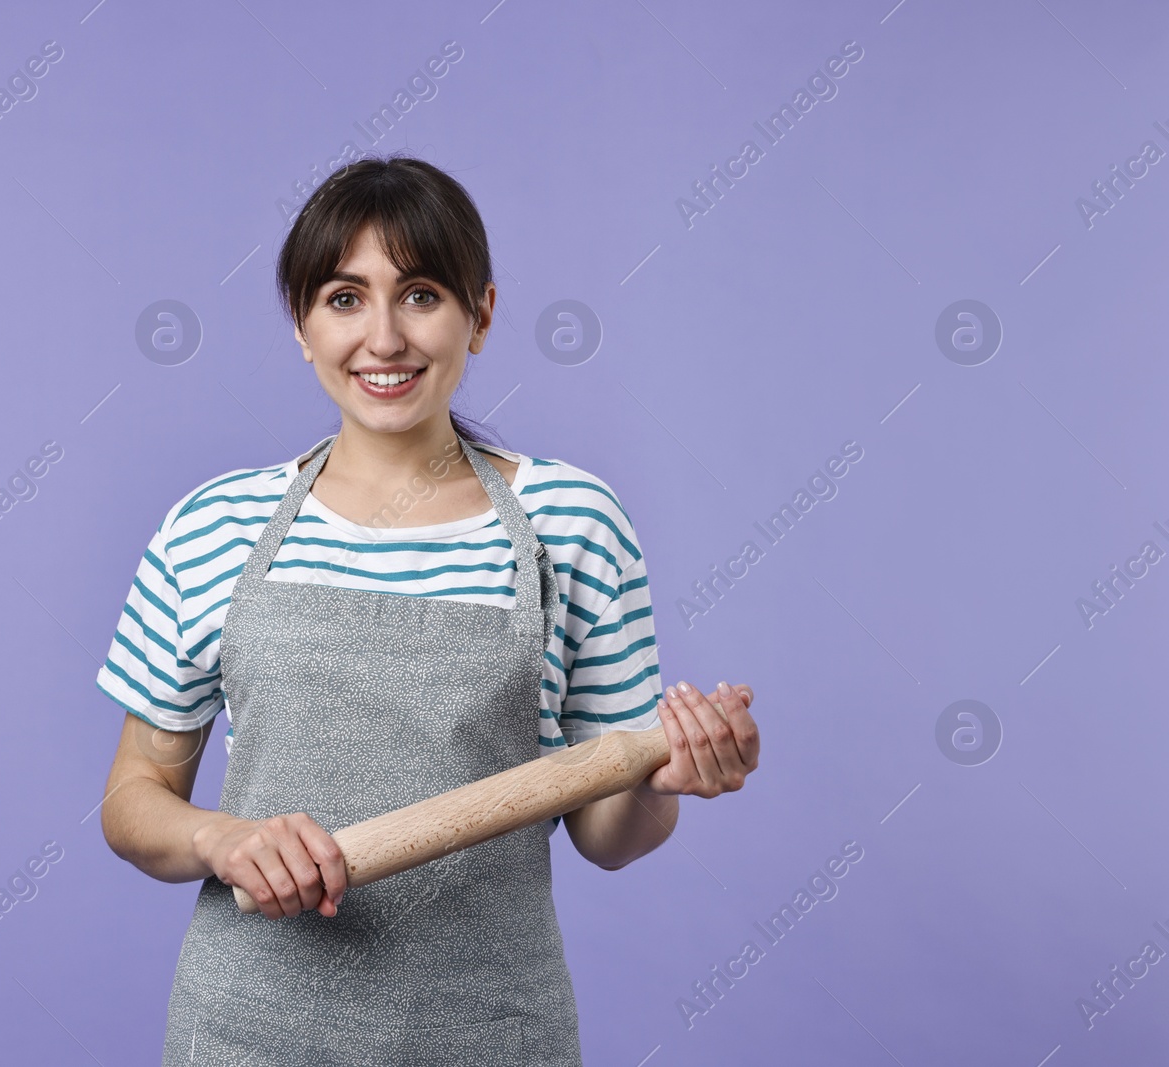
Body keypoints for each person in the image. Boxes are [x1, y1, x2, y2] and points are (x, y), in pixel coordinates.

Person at [99, 155, 762, 1066]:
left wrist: (662, 776)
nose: (383, 338)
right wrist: (226, 838)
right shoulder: (213, 524)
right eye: (343, 298)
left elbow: (608, 836)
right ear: (300, 323)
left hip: (491, 1030)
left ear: (479, 315)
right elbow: (134, 800)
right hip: (248, 1030)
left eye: (419, 295)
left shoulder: (573, 524)